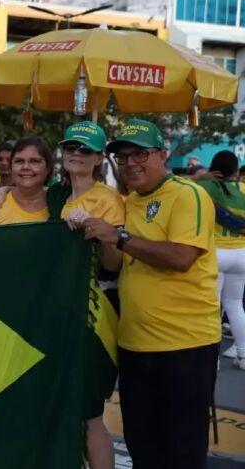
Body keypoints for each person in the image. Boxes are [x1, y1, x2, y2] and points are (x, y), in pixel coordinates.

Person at [82, 119, 219, 468]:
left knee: (182, 451)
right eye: (123, 157)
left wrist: (120, 237)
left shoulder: (188, 194)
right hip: (134, 345)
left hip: (185, 345)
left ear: (162, 155)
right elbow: (114, 264)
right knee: (142, 446)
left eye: (140, 154)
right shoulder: (127, 202)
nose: (130, 163)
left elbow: (182, 257)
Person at [54, 122, 125, 469]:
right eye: (71, 147)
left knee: (89, 413)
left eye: (85, 149)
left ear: (99, 158)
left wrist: (100, 233)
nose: (76, 154)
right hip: (58, 313)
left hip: (94, 314)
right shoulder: (55, 195)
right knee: (61, 407)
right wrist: (0, 192)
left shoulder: (108, 200)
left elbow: (114, 264)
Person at [195, 151, 245, 369]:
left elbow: (173, 182)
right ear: (235, 170)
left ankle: (212, 360)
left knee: (212, 308)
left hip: (215, 254)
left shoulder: (205, 187)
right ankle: (243, 355)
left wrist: (199, 177)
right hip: (242, 254)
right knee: (235, 304)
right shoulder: (243, 188)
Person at [0, 137, 51, 227]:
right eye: (19, 161)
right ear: (11, 168)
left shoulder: (59, 201)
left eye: (35, 161)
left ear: (48, 168)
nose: (26, 167)